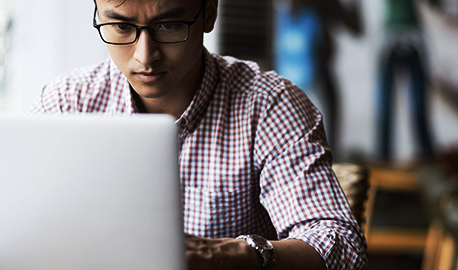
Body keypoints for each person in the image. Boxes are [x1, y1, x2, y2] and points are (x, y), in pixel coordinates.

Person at [30, 0, 367, 269]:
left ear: (209, 12)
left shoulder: (268, 106)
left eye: (169, 25)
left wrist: (229, 255)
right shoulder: (69, 101)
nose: (145, 56)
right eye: (121, 26)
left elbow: (342, 248)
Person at [274, 0, 363, 154]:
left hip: (301, 70)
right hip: (309, 70)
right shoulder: (324, 4)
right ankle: (327, 156)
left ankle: (325, 155)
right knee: (323, 115)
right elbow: (355, 28)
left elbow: (355, 29)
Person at [375, 0, 434, 161]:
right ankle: (383, 159)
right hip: (390, 36)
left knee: (418, 108)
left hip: (412, 35)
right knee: (385, 108)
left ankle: (428, 158)